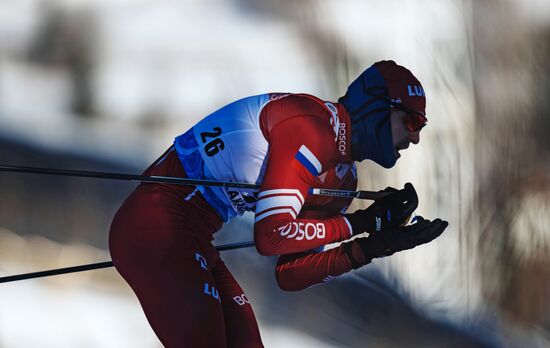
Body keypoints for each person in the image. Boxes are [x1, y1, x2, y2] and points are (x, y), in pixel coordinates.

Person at [108, 60, 449, 347]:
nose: (416, 137)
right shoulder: (313, 128)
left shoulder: (342, 178)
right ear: (377, 109)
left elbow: (291, 273)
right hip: (155, 223)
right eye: (410, 122)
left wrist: (375, 245)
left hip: (195, 236)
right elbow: (272, 236)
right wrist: (363, 223)